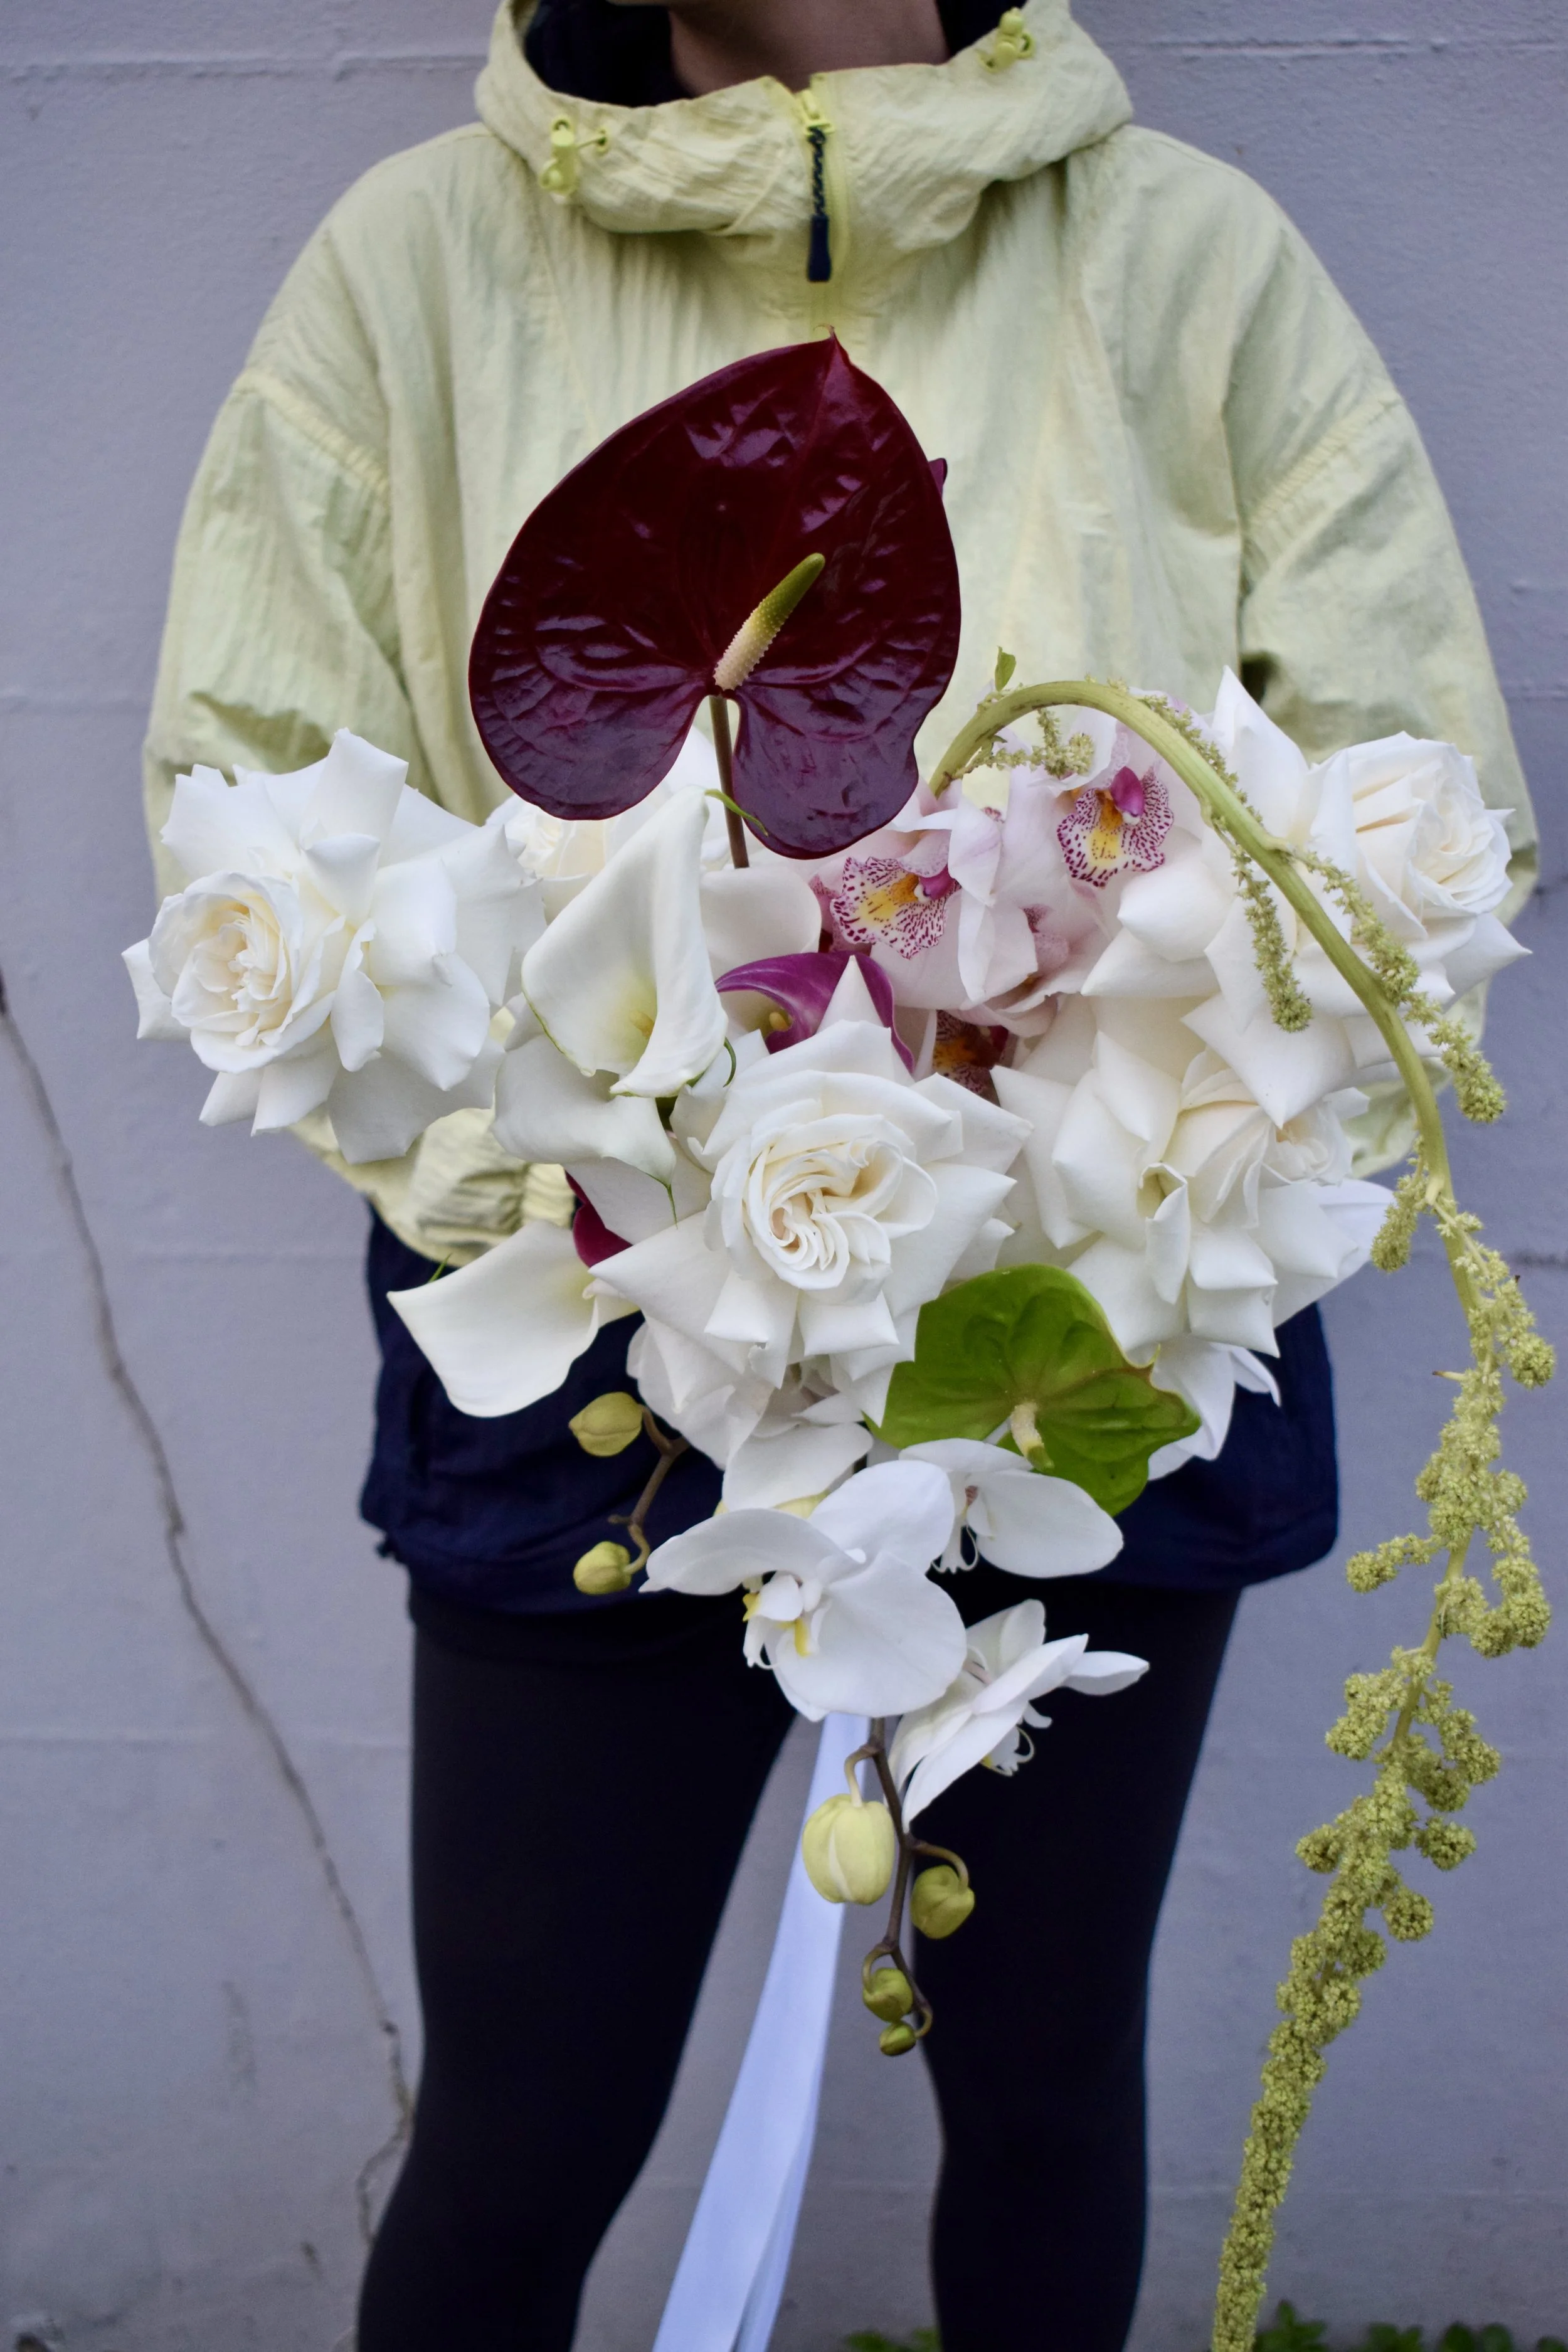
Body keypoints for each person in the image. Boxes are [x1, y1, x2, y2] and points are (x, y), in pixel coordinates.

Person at [140, 2, 1535, 2344]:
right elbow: (247, 811)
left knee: (1046, 2081)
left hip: (1095, 1347)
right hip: (596, 1358)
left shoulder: (1192, 262)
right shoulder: (412, 272)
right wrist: (656, 1243)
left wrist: (1103, 1225)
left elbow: (1414, 826)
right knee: (530, 2120)